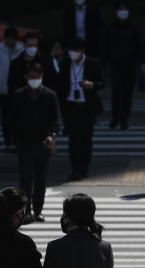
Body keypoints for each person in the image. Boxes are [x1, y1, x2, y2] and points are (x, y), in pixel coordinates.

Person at [9, 62, 61, 224]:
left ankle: (37, 211)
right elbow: (11, 119)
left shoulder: (49, 95)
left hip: (42, 142)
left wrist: (52, 135)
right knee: (25, 178)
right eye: (31, 76)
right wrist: (15, 139)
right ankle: (25, 212)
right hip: (23, 142)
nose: (35, 79)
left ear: (42, 77)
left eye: (37, 76)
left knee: (40, 178)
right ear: (25, 77)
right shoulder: (18, 95)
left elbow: (56, 118)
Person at [57, 37, 105, 181]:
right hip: (71, 105)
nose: (73, 53)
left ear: (83, 50)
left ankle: (84, 167)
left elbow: (102, 83)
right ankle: (76, 168)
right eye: (71, 50)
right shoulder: (65, 63)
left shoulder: (93, 63)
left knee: (86, 138)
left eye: (76, 50)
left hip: (87, 106)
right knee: (74, 139)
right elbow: (60, 86)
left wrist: (90, 84)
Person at [101, 0, 145, 130]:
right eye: (120, 8)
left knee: (127, 95)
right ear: (116, 11)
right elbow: (104, 48)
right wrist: (103, 66)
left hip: (130, 65)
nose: (122, 11)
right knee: (116, 91)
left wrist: (143, 64)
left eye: (125, 8)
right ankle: (115, 117)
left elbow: (141, 47)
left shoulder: (134, 28)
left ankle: (124, 119)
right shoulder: (110, 28)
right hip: (115, 65)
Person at [0, 26, 24, 153]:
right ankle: (8, 142)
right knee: (6, 118)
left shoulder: (21, 50)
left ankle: (16, 141)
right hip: (3, 90)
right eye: (8, 38)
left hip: (18, 89)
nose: (11, 41)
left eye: (13, 38)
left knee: (18, 118)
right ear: (4, 38)